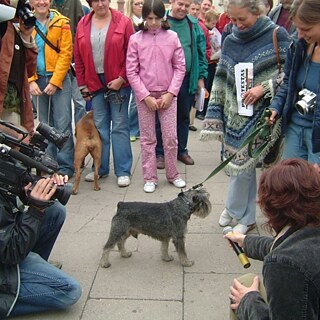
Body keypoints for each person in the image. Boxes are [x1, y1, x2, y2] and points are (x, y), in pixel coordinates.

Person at [200, 0, 290, 234]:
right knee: (238, 164)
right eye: (232, 19)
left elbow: (290, 74)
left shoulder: (277, 35)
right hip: (234, 112)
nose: (237, 25)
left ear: (258, 12)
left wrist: (265, 87)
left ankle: (243, 214)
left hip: (266, 113)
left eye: (242, 20)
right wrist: (216, 111)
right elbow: (221, 76)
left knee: (246, 163)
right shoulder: (230, 39)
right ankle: (238, 210)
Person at [0, 124, 81, 318]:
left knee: (54, 211)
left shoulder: (5, 174)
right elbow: (9, 251)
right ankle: (7, 299)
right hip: (6, 259)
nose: (26, 161)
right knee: (69, 291)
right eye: (22, 154)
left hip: (8, 248)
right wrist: (35, 209)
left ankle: (33, 271)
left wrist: (26, 195)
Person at [225, 158, 320, 320]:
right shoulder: (312, 227)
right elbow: (295, 247)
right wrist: (247, 242)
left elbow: (290, 257)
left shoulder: (283, 264)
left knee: (245, 284)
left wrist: (247, 301)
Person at [126, 0, 186, 193]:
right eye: (149, 18)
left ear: (163, 17)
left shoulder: (172, 37)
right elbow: (132, 71)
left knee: (170, 137)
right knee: (147, 139)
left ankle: (173, 174)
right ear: (144, 18)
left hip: (168, 95)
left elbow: (180, 67)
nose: (153, 22)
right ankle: (150, 177)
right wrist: (145, 96)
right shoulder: (136, 39)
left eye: (156, 18)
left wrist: (171, 93)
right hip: (146, 97)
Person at [74, 0, 134, 187]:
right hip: (94, 83)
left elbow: (132, 54)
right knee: (100, 127)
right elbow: (78, 56)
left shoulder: (123, 22)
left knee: (119, 126)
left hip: (118, 83)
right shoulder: (83, 23)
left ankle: (123, 170)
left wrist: (122, 79)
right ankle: (100, 169)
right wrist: (82, 84)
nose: (100, 4)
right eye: (95, 0)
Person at [155, 0, 208, 168]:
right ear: (172, 2)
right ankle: (160, 153)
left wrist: (201, 78)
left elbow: (201, 51)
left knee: (184, 116)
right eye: (180, 4)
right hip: (163, 80)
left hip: (186, 79)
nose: (183, 8)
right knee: (160, 116)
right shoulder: (160, 21)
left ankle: (181, 150)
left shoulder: (193, 25)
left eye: (187, 5)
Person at [269, 0, 320, 163]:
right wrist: (276, 106)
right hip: (295, 128)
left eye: (305, 29)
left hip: (317, 135)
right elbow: (288, 83)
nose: (299, 35)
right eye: (297, 28)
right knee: (288, 185)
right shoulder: (298, 46)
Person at [28, 0, 75, 178]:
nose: (41, 2)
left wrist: (55, 81)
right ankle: (48, 165)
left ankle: (65, 167)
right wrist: (30, 81)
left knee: (62, 124)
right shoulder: (25, 23)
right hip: (37, 80)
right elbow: (23, 53)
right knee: (43, 125)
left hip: (59, 80)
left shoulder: (62, 22)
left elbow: (65, 53)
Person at [0, 0, 37, 133]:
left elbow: (30, 70)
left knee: (16, 143)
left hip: (14, 102)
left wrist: (26, 37)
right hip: (4, 101)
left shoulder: (13, 26)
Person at [50, 0, 87, 125]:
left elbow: (82, 28)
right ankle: (64, 140)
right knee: (62, 108)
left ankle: (81, 133)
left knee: (80, 103)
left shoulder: (74, 2)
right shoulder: (47, 3)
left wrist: (74, 47)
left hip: (75, 61)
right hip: (56, 64)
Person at [124, 0, 143, 143]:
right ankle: (130, 128)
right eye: (137, 3)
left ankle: (136, 128)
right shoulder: (127, 22)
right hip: (129, 67)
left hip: (143, 67)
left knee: (138, 100)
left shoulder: (148, 21)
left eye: (143, 3)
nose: (140, 6)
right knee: (131, 101)